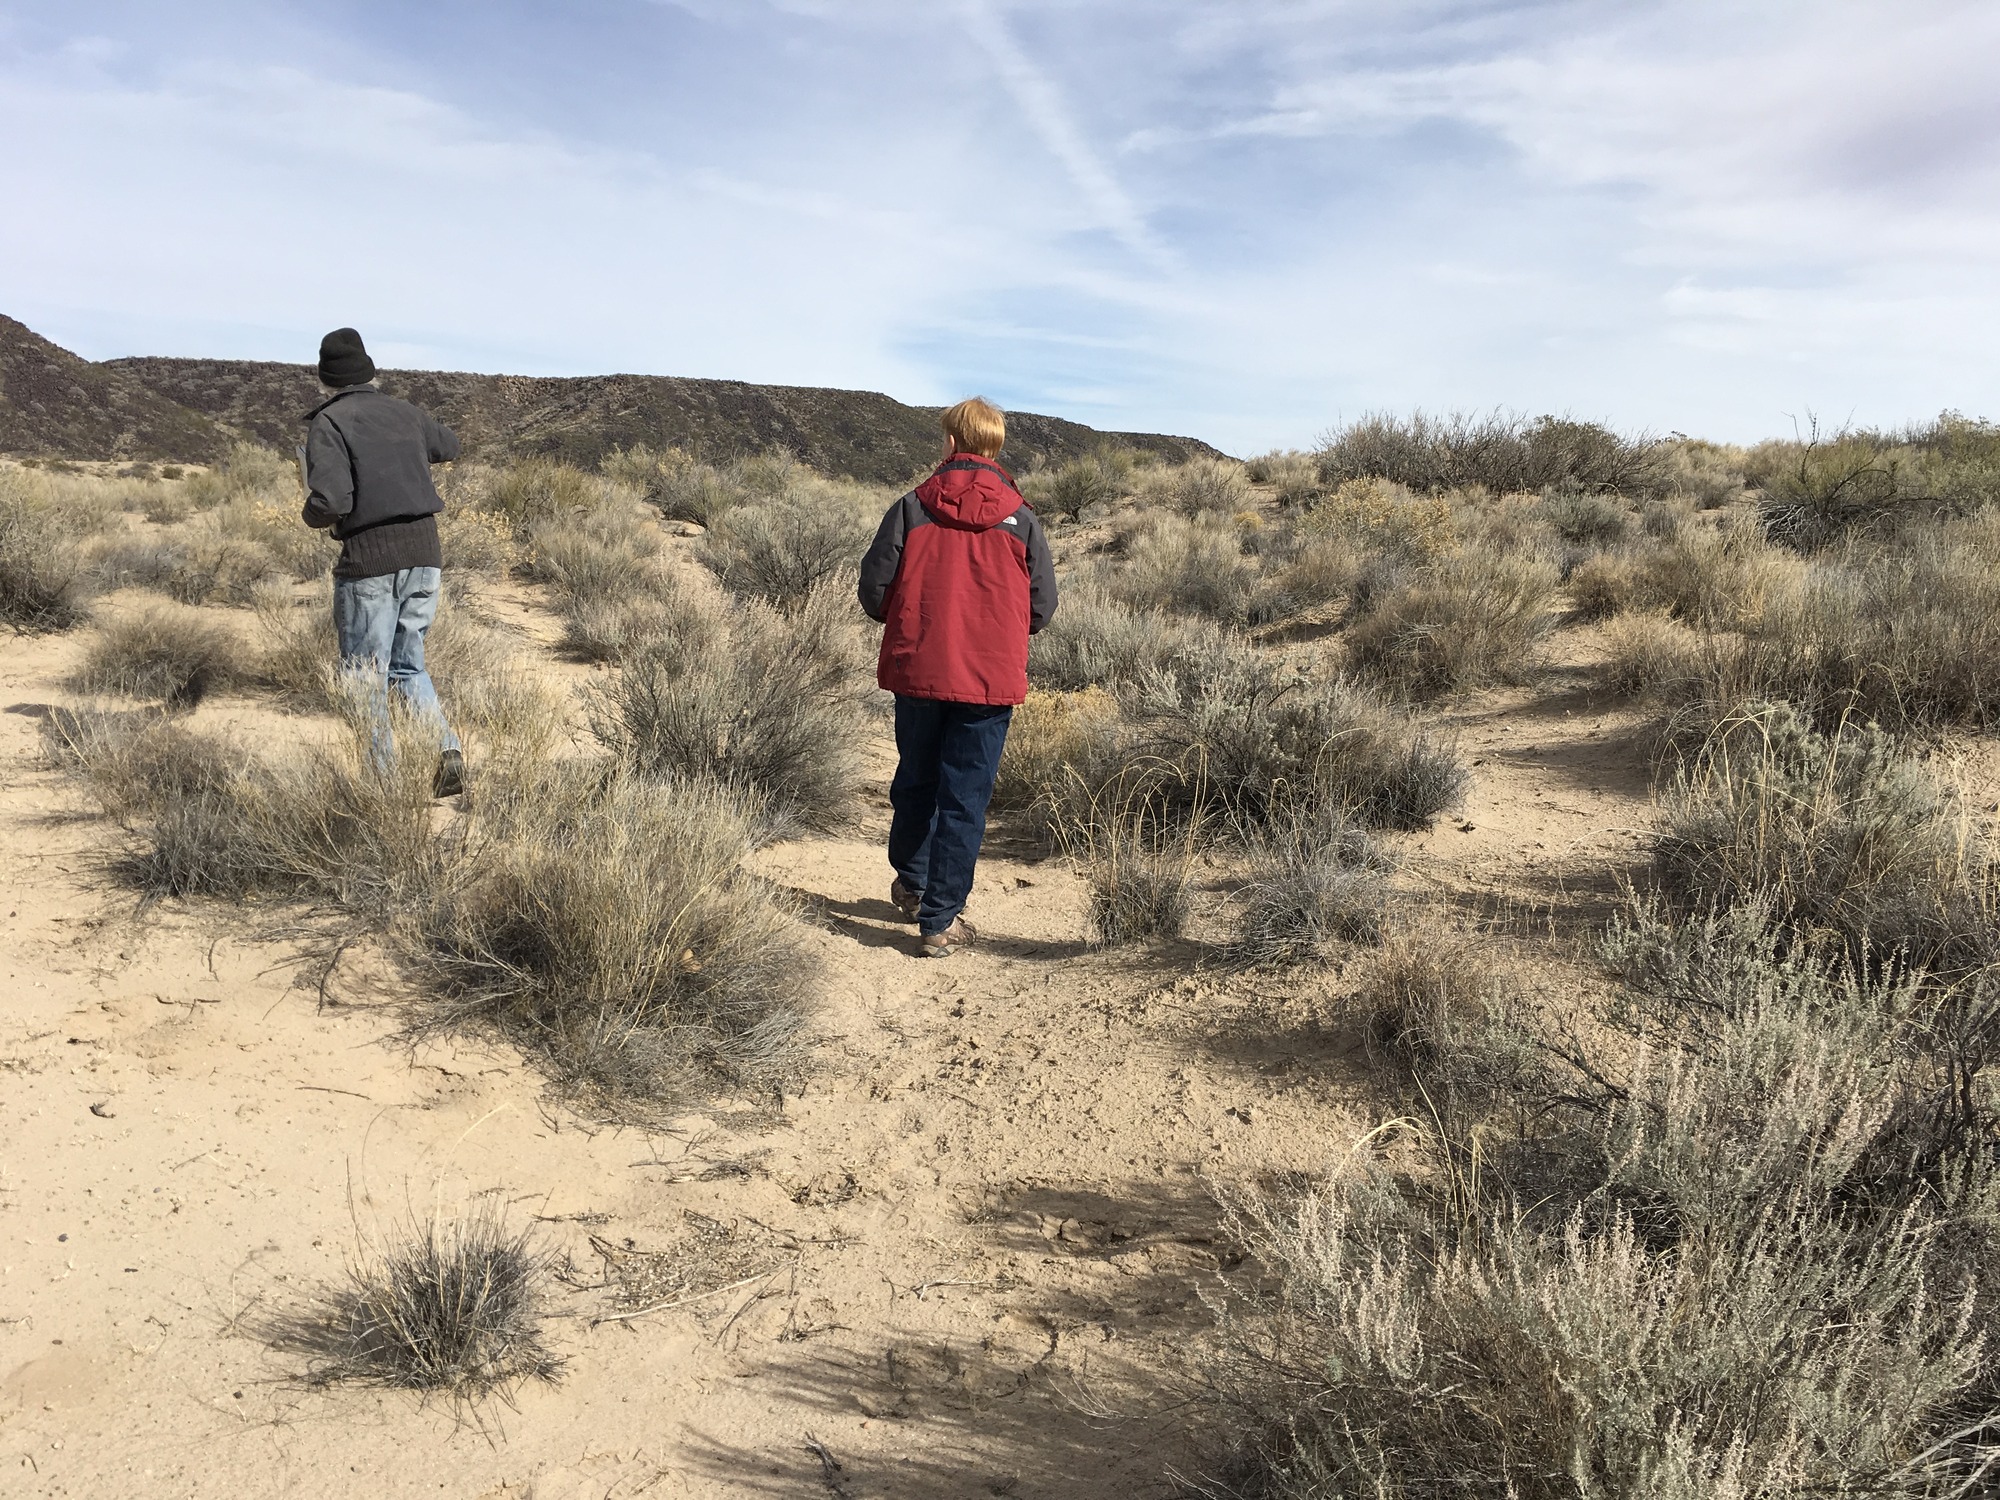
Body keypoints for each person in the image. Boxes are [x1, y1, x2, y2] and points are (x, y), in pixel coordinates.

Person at [858, 397, 1058, 958]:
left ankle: (915, 884)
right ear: (994, 447)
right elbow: (1042, 607)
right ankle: (940, 920)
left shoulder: (911, 508)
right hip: (989, 681)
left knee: (916, 780)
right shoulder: (1023, 518)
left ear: (950, 443)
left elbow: (875, 592)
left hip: (919, 669)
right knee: (965, 796)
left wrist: (915, 616)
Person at [299, 327, 465, 796]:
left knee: (362, 677)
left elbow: (331, 501)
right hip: (425, 555)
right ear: (369, 372)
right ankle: (443, 752)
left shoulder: (329, 422)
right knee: (408, 666)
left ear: (325, 379)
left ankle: (382, 786)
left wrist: (310, 511)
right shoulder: (405, 412)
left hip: (370, 562)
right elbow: (448, 445)